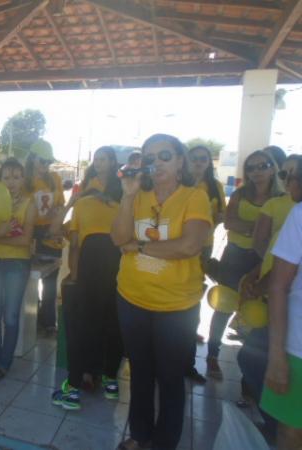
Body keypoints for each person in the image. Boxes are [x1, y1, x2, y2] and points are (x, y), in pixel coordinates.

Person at [111, 134, 211, 450]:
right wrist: (127, 196)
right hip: (132, 298)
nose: (158, 163)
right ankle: (140, 435)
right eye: (151, 157)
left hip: (176, 306)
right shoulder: (137, 197)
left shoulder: (195, 197)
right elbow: (117, 238)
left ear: (180, 160)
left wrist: (139, 245)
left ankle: (165, 443)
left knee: (170, 377)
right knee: (140, 372)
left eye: (165, 155)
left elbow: (189, 245)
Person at [52, 146, 123, 411]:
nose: (99, 163)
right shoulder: (85, 202)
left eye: (104, 158)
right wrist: (71, 201)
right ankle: (105, 380)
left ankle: (75, 387)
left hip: (105, 271)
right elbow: (67, 238)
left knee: (87, 328)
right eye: (97, 159)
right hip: (98, 272)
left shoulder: (123, 199)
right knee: (107, 326)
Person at [235, 155, 301, 436]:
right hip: (287, 320)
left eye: (293, 175)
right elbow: (268, 250)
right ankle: (272, 420)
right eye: (287, 176)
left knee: (251, 357)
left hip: (286, 318)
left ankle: (271, 421)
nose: (290, 181)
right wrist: (258, 275)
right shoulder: (293, 211)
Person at [206, 150, 282, 379]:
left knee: (255, 310)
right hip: (235, 255)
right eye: (251, 167)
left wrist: (250, 228)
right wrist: (259, 230)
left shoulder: (281, 197)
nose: (257, 171)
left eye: (263, 165)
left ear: (273, 168)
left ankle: (249, 368)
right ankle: (212, 354)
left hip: (262, 259)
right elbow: (229, 222)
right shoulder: (240, 193)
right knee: (224, 305)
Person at [0, 158, 36, 384]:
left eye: (16, 176)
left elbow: (26, 241)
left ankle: (3, 363)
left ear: (23, 178)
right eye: (6, 177)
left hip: (17, 264)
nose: (11, 182)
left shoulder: (29, 204)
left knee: (11, 315)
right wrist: (1, 231)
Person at [261, 177, 302, 450]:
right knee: (292, 431)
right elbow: (278, 286)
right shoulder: (300, 214)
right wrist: (276, 356)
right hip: (298, 347)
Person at [185, 145, 226, 383]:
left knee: (194, 300)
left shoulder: (215, 187)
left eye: (203, 159)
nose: (199, 163)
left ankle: (188, 363)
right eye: (194, 159)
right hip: (179, 246)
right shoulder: (180, 184)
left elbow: (222, 216)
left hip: (203, 247)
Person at [25, 140, 65, 333]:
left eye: (48, 161)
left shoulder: (55, 179)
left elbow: (61, 205)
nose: (45, 165)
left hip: (52, 233)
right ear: (32, 158)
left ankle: (47, 322)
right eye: (42, 160)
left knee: (50, 282)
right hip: (30, 234)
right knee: (28, 280)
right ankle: (28, 320)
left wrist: (56, 215)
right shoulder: (23, 181)